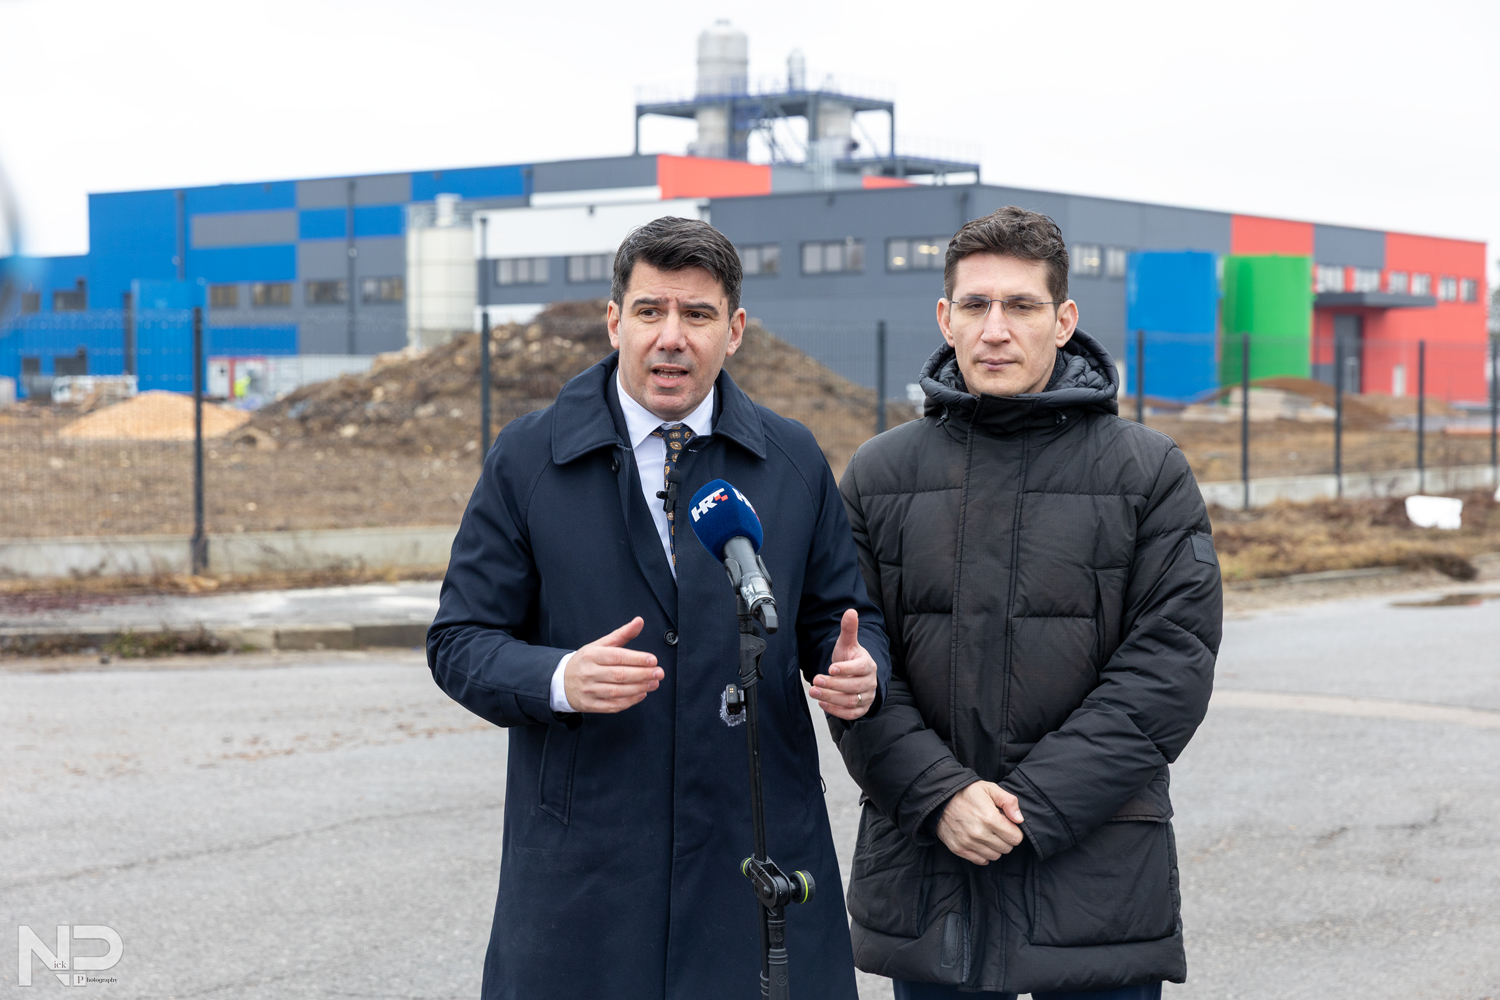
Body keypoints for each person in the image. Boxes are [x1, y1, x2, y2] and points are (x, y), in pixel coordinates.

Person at [427, 216, 890, 1000]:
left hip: (753, 844)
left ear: (734, 331)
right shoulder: (528, 459)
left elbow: (839, 619)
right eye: (650, 311)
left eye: (697, 314)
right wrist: (559, 678)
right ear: (615, 322)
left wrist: (858, 666)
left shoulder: (793, 460)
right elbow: (459, 639)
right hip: (587, 866)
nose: (671, 337)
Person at [835, 206, 1222, 999]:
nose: (995, 329)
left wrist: (1028, 807)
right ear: (945, 317)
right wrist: (940, 795)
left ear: (1064, 319)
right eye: (975, 305)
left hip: (1094, 883)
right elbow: (853, 665)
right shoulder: (877, 476)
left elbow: (1169, 668)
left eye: (1021, 305)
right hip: (932, 877)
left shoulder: (1147, 473)